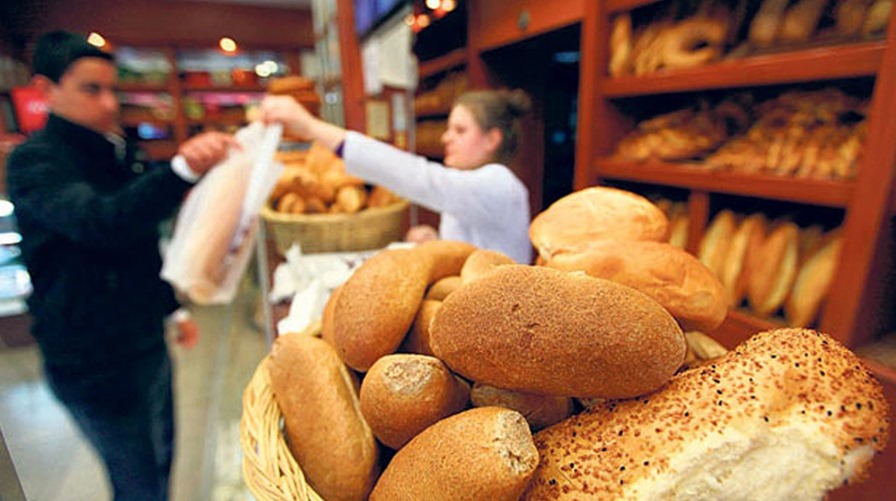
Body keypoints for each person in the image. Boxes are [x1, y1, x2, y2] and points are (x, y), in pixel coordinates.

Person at [4, 31, 237, 501]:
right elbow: (100, 220)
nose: (110, 103)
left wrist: (172, 309)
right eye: (92, 89)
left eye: (114, 90)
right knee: (136, 479)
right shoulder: (34, 162)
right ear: (46, 90)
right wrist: (181, 172)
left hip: (145, 338)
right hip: (90, 358)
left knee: (164, 455)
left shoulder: (118, 149)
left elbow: (139, 241)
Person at [261, 88, 534, 264]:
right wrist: (436, 243)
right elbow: (472, 252)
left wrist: (310, 127)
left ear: (491, 140)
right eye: (449, 129)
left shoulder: (499, 183)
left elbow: (419, 177)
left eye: (460, 130)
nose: (446, 137)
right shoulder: (467, 184)